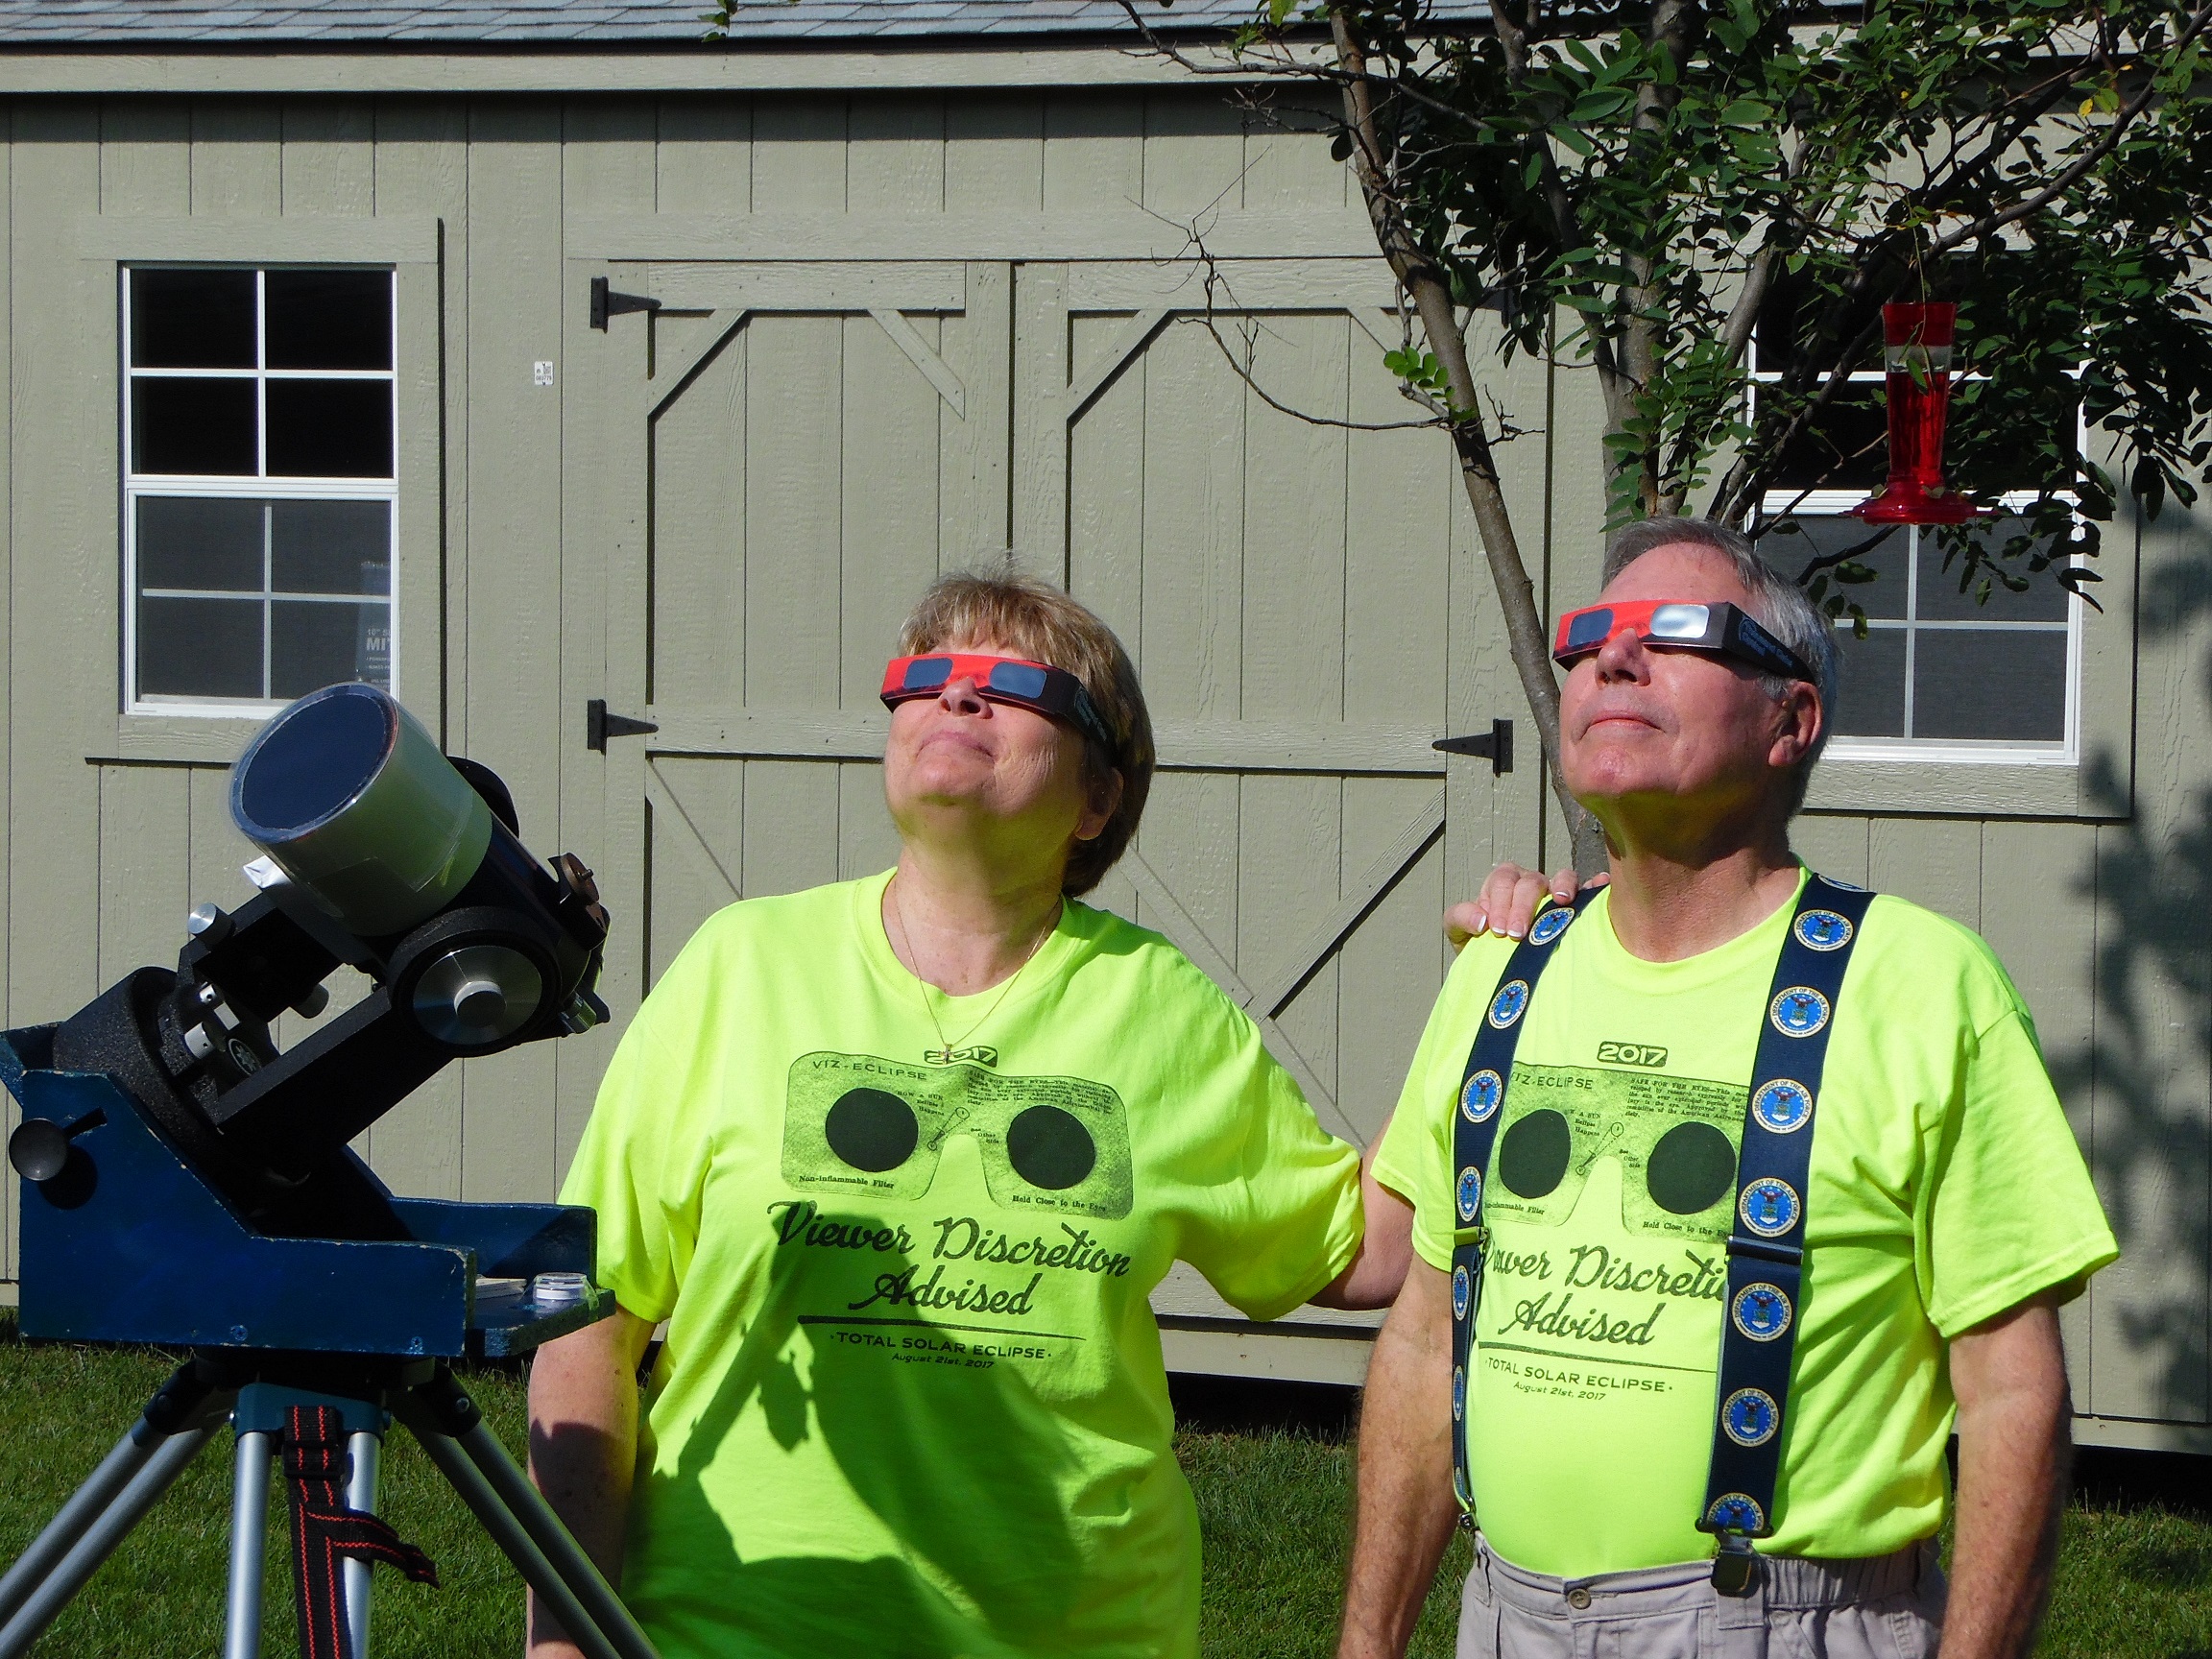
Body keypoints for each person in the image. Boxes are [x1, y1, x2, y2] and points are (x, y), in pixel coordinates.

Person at [528, 565, 1409, 1659]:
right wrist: (564, 1633)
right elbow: (591, 1320)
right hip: (736, 1625)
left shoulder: (1163, 1010)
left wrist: (1503, 993)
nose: (956, 693)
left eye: (1016, 684)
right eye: (929, 675)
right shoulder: (740, 966)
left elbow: (1362, 1250)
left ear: (1099, 798)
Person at [1341, 517, 2116, 1659]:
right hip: (1504, 1617)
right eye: (1590, 636)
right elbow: (1421, 1342)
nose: (1614, 657)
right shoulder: (1500, 974)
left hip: (1788, 1626)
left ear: (1789, 720)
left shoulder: (1924, 986)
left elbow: (2012, 1389)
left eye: (1679, 633)